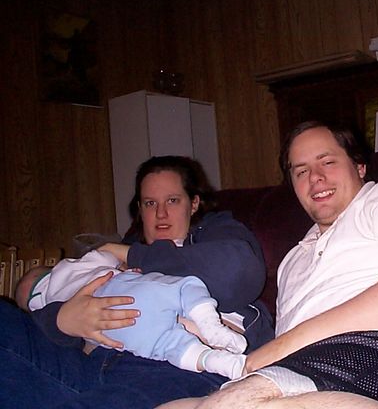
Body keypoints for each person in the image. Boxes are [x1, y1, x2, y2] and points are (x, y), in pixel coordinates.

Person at [160, 121, 378, 409]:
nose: (316, 178)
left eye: (328, 162)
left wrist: (277, 351)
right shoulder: (293, 260)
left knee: (235, 403)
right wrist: (199, 327)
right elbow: (282, 348)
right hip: (318, 371)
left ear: (359, 167)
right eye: (301, 171)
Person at [0, 155, 273, 409]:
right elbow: (45, 305)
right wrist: (61, 320)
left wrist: (130, 254)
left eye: (172, 201)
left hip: (173, 364)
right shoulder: (109, 260)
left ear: (193, 204)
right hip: (87, 362)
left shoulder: (214, 235)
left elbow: (236, 273)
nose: (161, 213)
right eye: (150, 203)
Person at [14, 248, 247, 378]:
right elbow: (105, 255)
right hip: (124, 289)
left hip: (118, 332)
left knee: (168, 347)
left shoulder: (51, 305)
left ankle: (211, 360)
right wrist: (119, 266)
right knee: (186, 287)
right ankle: (209, 325)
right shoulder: (72, 265)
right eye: (149, 203)